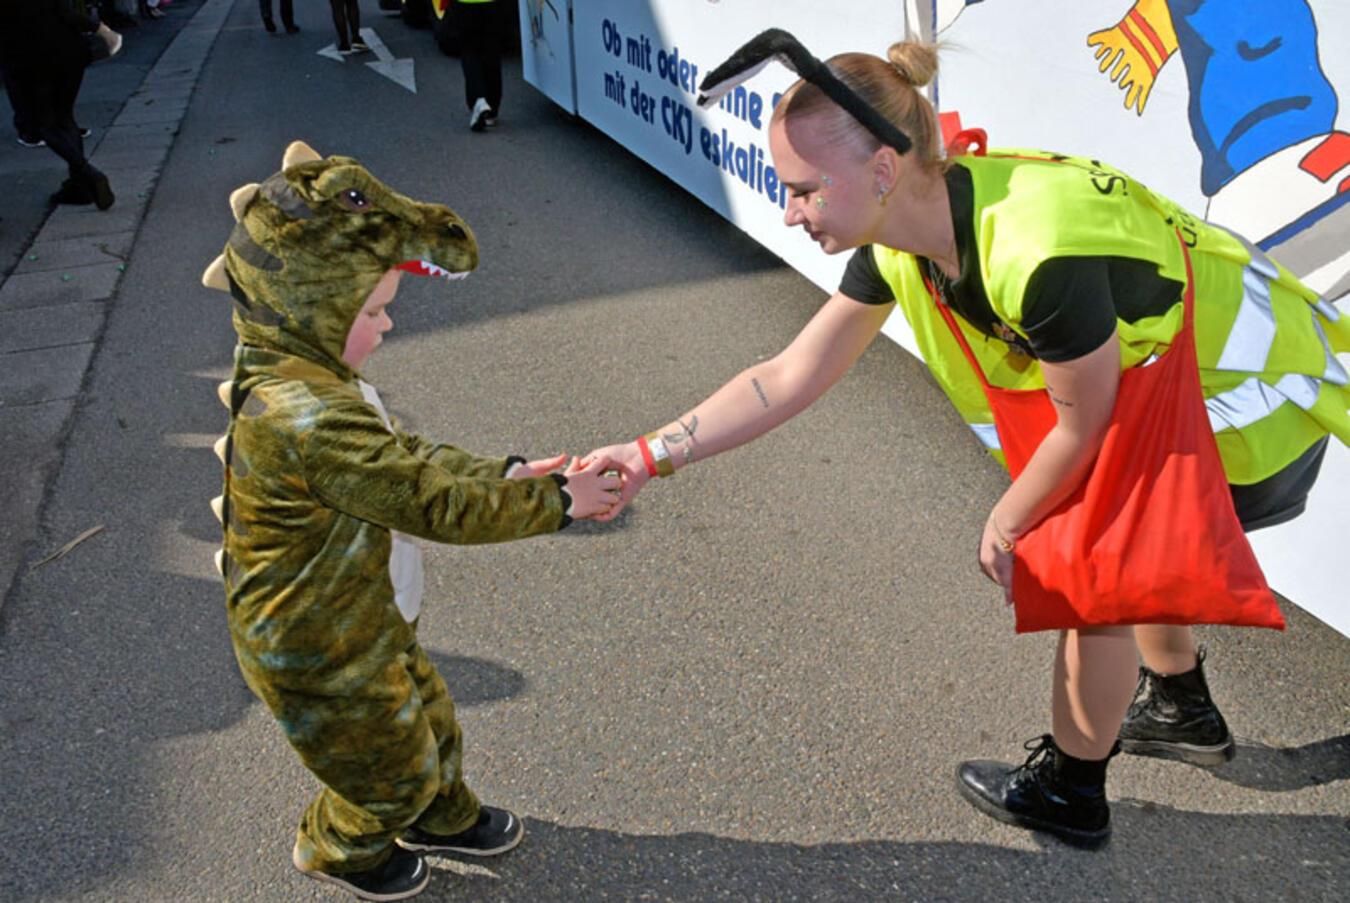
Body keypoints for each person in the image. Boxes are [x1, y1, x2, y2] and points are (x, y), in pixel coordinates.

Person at [586, 35, 1349, 849]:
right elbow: (789, 374)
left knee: (1090, 573)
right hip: (1174, 388)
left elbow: (1085, 425)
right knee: (1109, 546)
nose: (789, 211)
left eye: (805, 190)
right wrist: (646, 453)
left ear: (882, 170)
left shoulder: (1036, 253)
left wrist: (1011, 518)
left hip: (1247, 410)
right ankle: (1182, 706)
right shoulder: (912, 226)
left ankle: (1070, 790)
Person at [202, 140, 621, 900]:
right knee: (381, 770)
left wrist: (508, 472)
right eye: (373, 311)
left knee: (428, 716)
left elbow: (409, 456)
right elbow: (429, 501)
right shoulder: (306, 417)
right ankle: (339, 845)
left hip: (362, 617)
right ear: (313, 306)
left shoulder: (320, 379)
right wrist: (558, 502)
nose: (387, 326)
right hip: (312, 646)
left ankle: (441, 811)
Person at [0, 0, 119, 209]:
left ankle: (88, 173)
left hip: (29, 56)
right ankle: (79, 185)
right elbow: (64, 9)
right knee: (65, 117)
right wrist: (99, 28)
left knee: (44, 124)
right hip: (68, 48)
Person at [454, 0, 504, 131]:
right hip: (493, 4)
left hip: (465, 4)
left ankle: (479, 99)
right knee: (491, 51)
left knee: (469, 52)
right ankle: (492, 109)